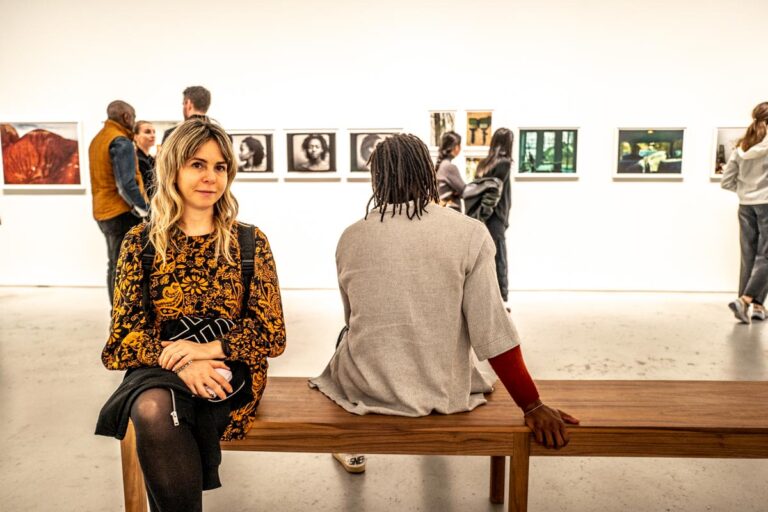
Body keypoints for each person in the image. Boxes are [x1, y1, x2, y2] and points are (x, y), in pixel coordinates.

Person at [309, 134, 578, 474]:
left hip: (365, 387)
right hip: (442, 389)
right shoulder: (469, 233)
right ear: (427, 173)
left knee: (345, 337)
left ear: (376, 179)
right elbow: (492, 333)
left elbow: (354, 320)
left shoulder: (351, 236)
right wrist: (531, 403)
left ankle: (349, 446)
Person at [95, 117, 286, 511]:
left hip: (230, 370)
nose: (210, 177)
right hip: (161, 366)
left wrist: (206, 351)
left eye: (220, 167)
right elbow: (121, 341)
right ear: (174, 168)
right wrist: (182, 364)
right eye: (197, 164)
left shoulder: (249, 241)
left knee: (155, 407)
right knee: (152, 406)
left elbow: (271, 335)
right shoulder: (141, 242)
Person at [88, 100, 149, 306]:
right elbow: (126, 185)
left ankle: (117, 311)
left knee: (114, 263)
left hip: (103, 211)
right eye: (133, 116)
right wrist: (145, 209)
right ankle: (121, 313)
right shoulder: (120, 141)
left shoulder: (98, 139)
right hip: (119, 212)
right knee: (122, 265)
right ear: (126, 117)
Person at [721, 101, 768, 323]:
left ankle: (757, 306)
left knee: (749, 256)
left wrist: (745, 192)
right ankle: (746, 300)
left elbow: (726, 181)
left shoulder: (743, 147)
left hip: (745, 205)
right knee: (766, 255)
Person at [475, 128, 514, 305]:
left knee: (485, 256)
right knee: (499, 257)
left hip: (484, 217)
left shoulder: (484, 164)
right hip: (495, 217)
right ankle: (502, 298)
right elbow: (495, 193)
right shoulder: (504, 164)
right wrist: (488, 214)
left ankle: (487, 296)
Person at [435, 131, 465, 211]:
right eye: (459, 145)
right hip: (452, 213)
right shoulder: (449, 167)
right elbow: (464, 190)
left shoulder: (442, 165)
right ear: (455, 147)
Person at [134, 121, 156, 196]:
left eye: (154, 132)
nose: (153, 135)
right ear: (135, 136)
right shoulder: (137, 160)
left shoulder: (151, 159)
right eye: (147, 132)